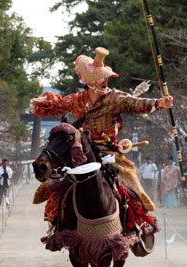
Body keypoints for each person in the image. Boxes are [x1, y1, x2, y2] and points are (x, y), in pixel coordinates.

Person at [30, 47, 173, 212]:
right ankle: (57, 224)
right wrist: (43, 102)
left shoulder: (115, 97)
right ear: (90, 82)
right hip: (78, 150)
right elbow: (59, 104)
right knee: (54, 185)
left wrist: (159, 103)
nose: (105, 82)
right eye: (101, 79)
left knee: (131, 181)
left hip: (108, 151)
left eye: (106, 78)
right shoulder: (77, 99)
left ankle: (140, 223)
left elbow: (135, 103)